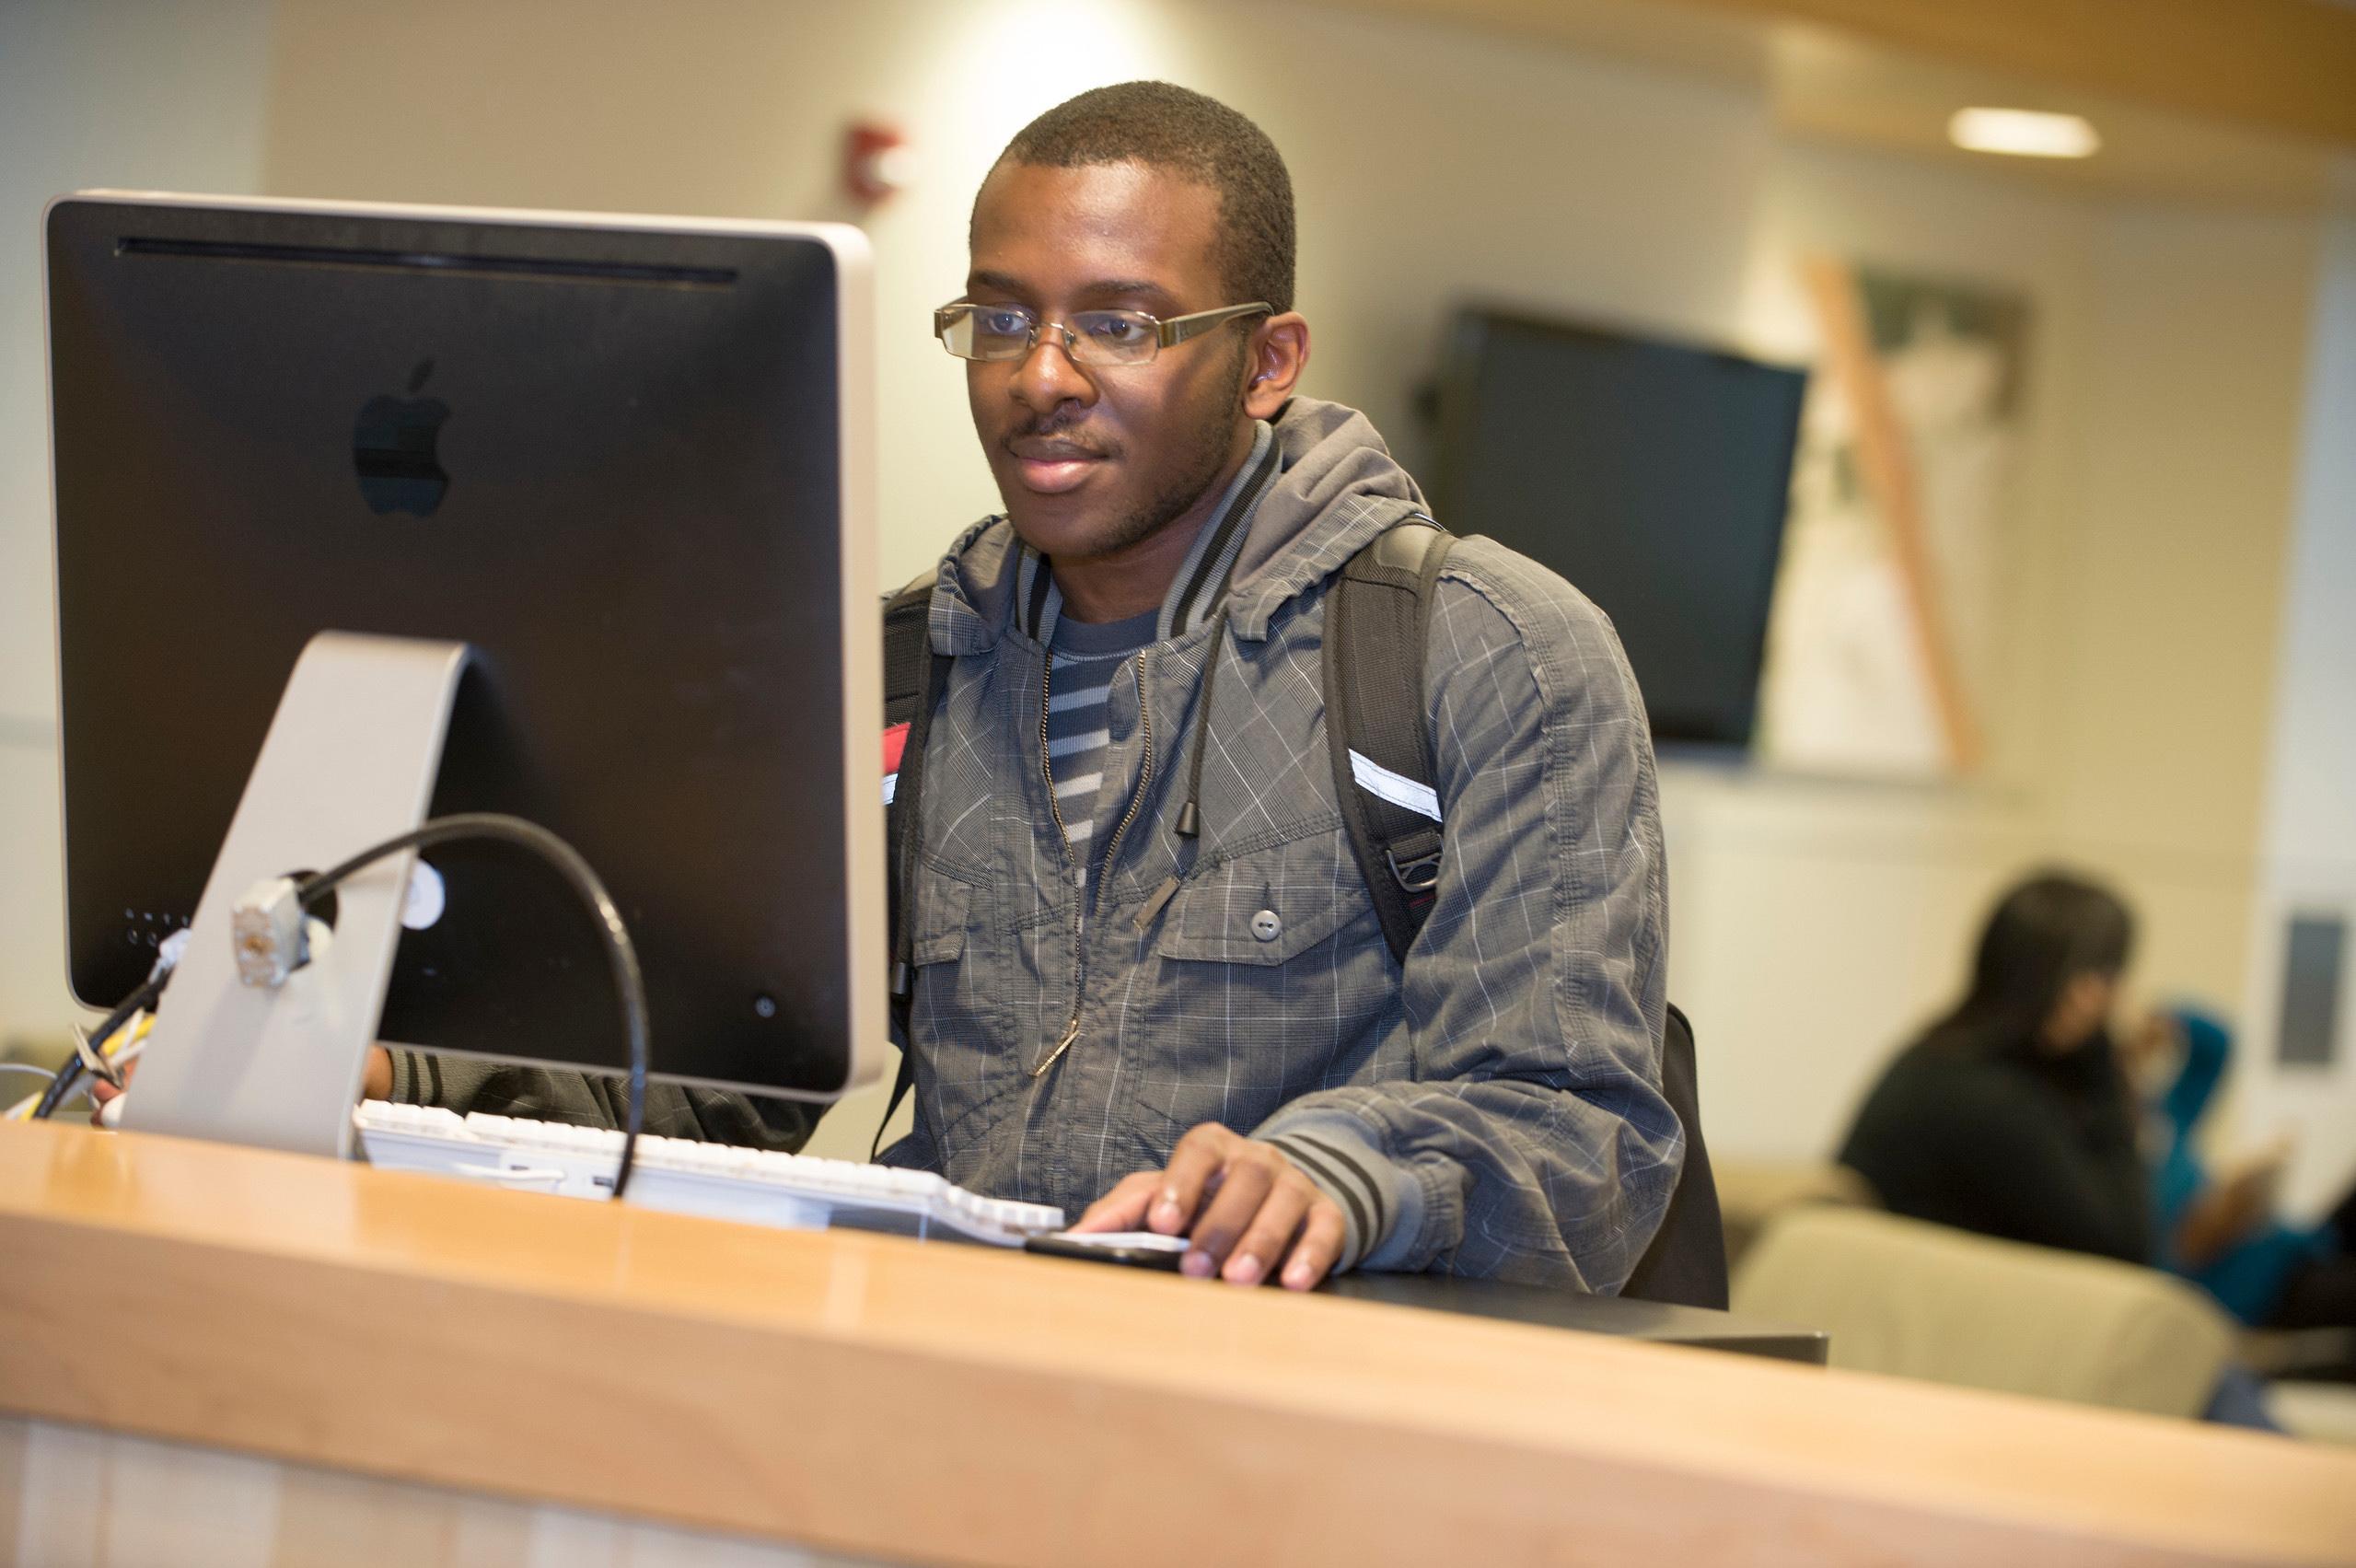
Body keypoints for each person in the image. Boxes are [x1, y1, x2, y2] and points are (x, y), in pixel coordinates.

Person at [102, 82, 1678, 1295]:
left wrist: (1339, 1173)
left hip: (1291, 1436)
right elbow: (714, 1079)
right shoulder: (885, 668)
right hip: (936, 1391)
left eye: (1115, 324)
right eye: (998, 316)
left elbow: (1576, 1126)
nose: (1038, 374)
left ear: (1266, 361)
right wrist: (378, 1070)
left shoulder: (1487, 653)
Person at [1838, 871, 2151, 1262]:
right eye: (2073, 971)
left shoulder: (1939, 1053)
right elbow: (2127, 1248)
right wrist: (2105, 1062)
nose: (2089, 997)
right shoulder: (1982, 1096)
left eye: (2104, 974)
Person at [2149, 1006, 2356, 1333]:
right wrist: (2207, 1227)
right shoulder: (2118, 1178)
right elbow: (2162, 1270)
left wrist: (2162, 1016)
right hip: (2264, 1292)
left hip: (2294, 1244)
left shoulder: (2164, 1119)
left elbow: (2217, 1046)